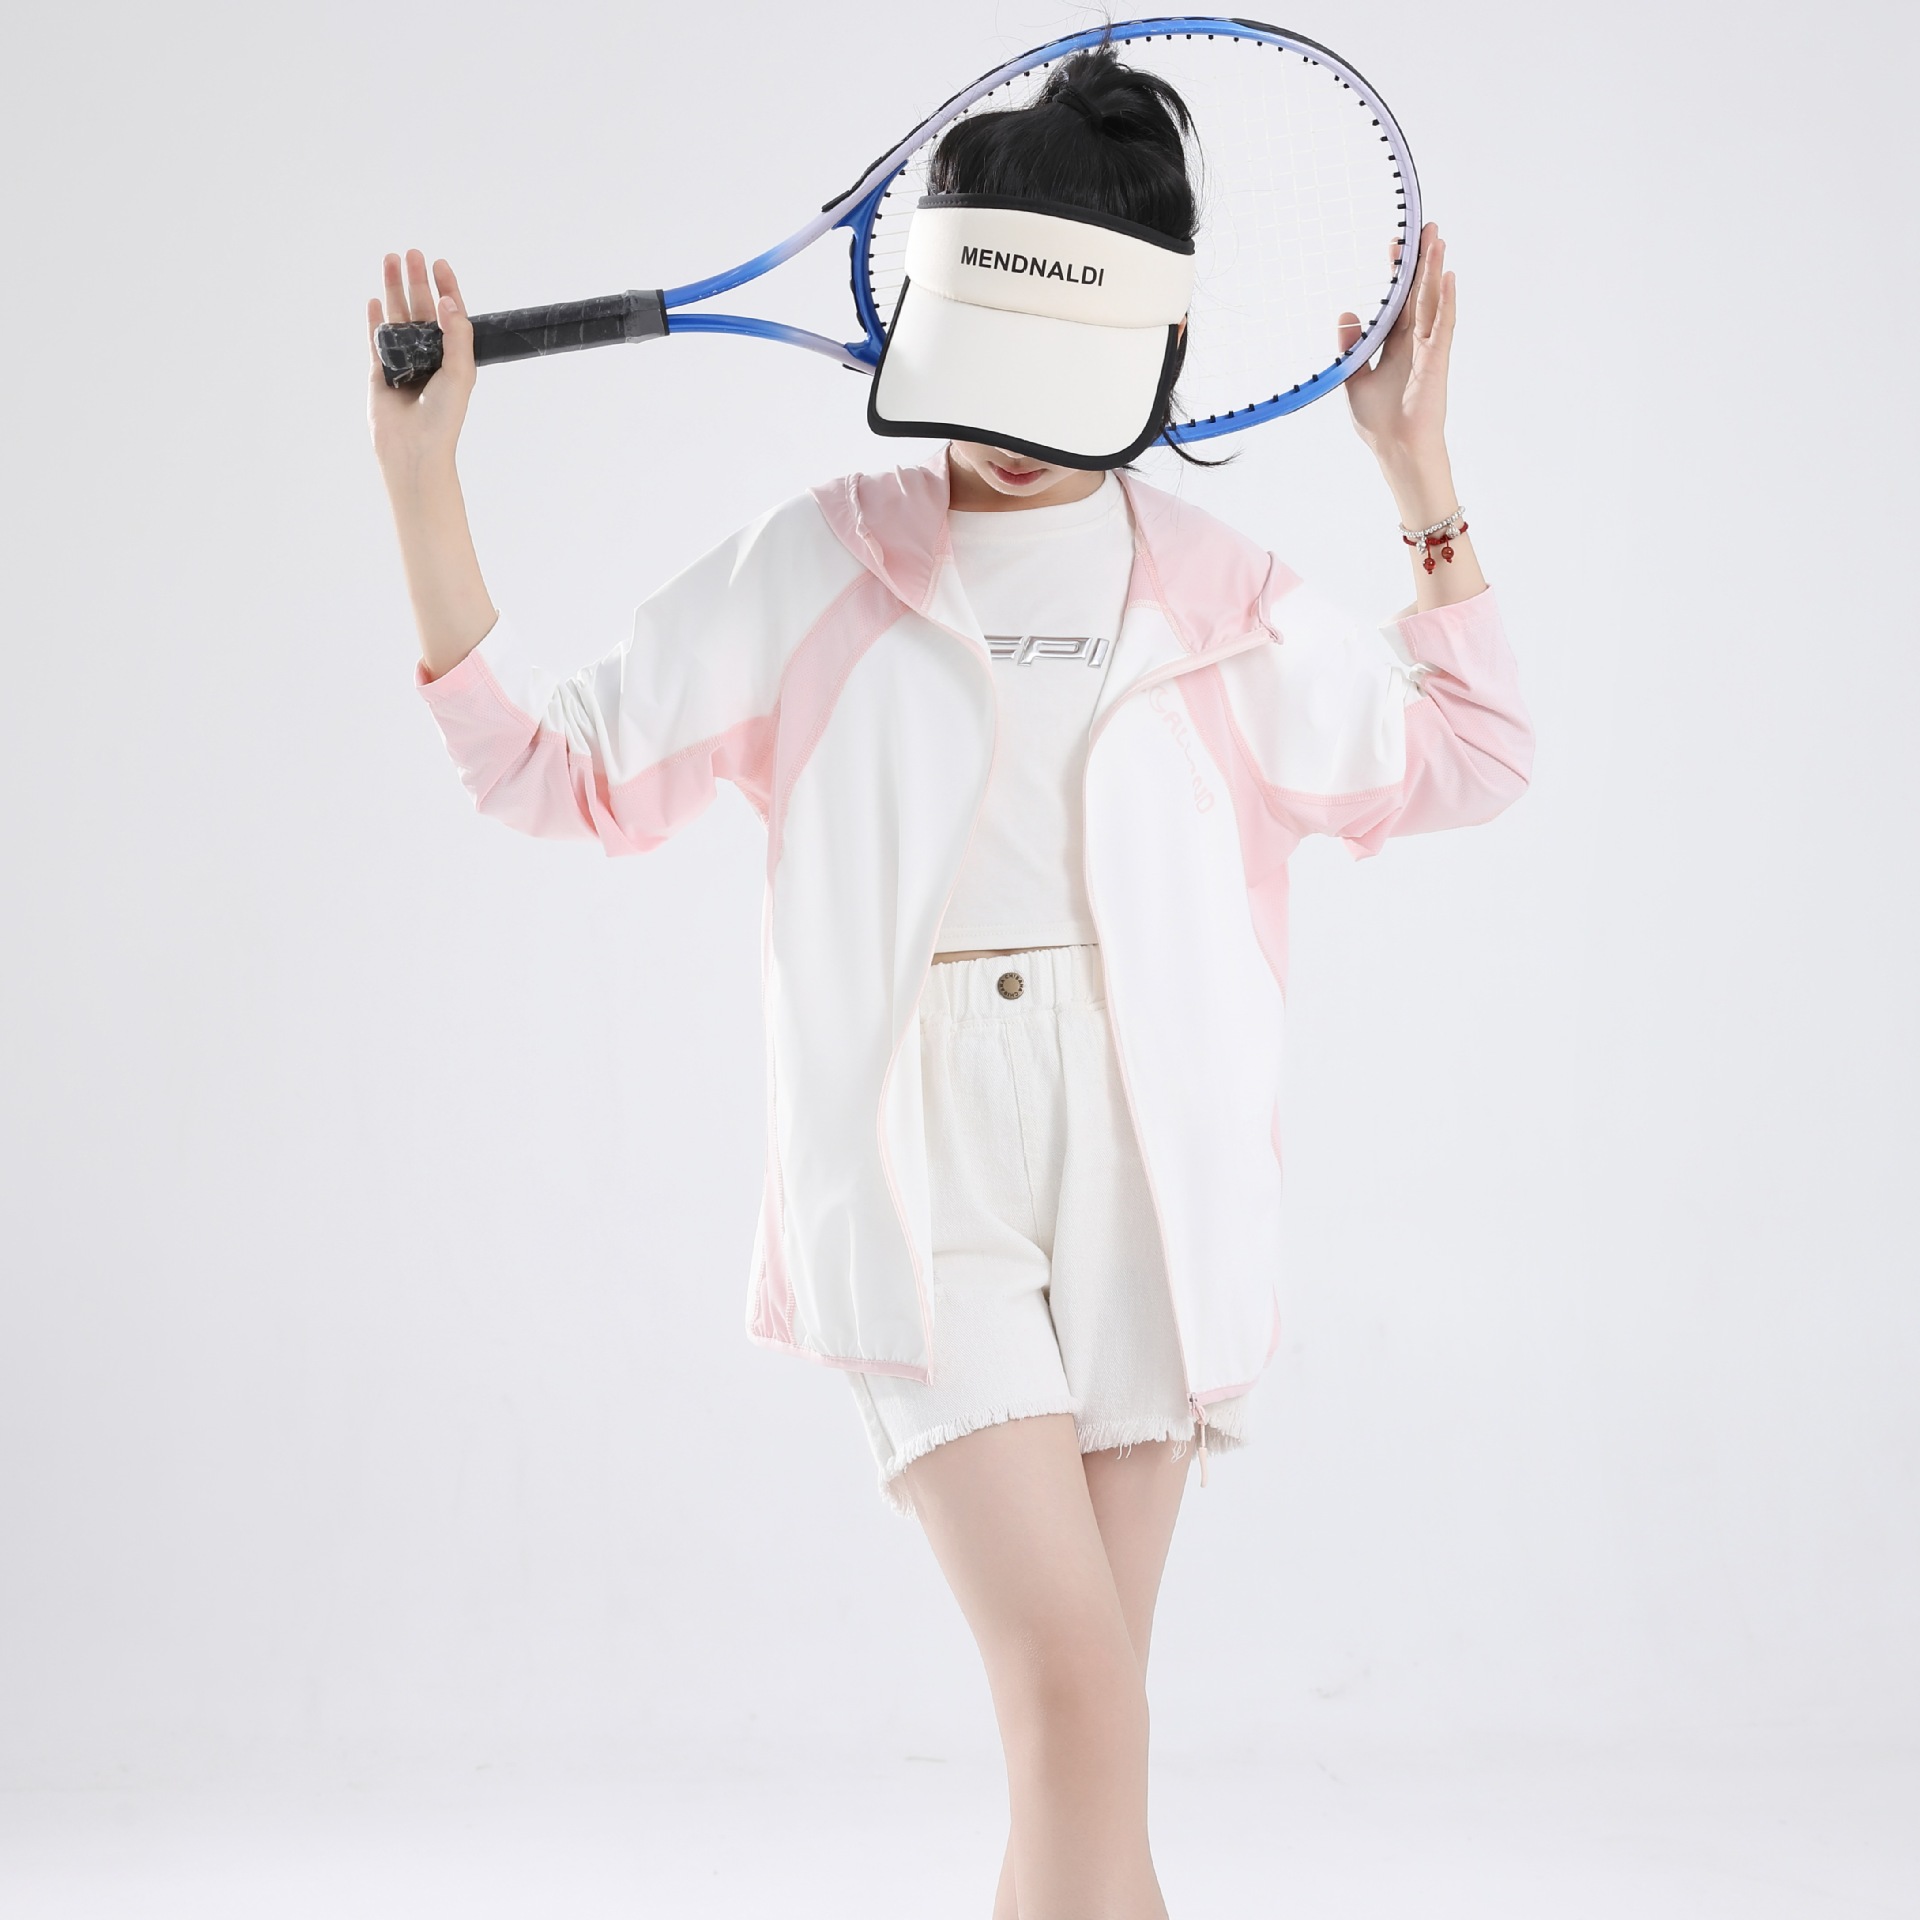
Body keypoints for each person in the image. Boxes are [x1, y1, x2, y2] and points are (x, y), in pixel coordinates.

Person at [367, 46, 1531, 1920]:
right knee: (1078, 1704)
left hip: (1158, 1187)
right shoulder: (816, 569)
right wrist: (425, 489)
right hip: (924, 1184)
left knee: (1091, 1742)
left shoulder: (1223, 597)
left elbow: (1472, 756)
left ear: (1152, 350)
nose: (1007, 428)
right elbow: (544, 770)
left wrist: (1417, 472)